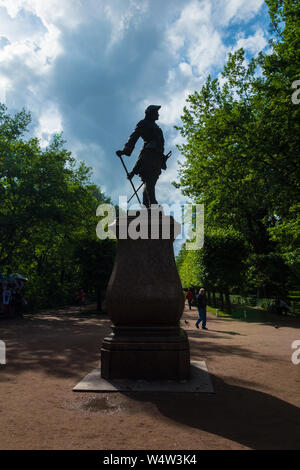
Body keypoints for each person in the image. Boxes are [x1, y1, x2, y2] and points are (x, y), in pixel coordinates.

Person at [116, 105, 168, 208]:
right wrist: (125, 151)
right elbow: (134, 137)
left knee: (150, 182)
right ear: (151, 113)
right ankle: (152, 204)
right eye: (156, 112)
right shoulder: (143, 124)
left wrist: (162, 158)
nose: (158, 114)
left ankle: (146, 205)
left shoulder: (156, 127)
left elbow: (160, 144)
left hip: (157, 157)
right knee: (149, 181)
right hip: (149, 156)